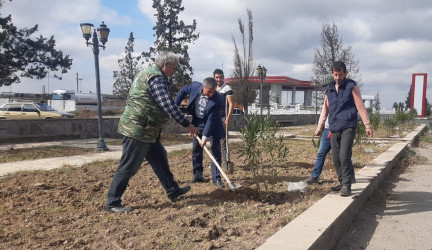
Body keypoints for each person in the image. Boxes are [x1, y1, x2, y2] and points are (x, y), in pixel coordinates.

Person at [104, 52, 199, 213]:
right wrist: (187, 124)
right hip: (138, 130)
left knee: (160, 159)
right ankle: (112, 202)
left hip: (148, 131)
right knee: (128, 166)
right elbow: (167, 104)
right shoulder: (156, 78)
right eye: (173, 69)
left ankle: (172, 190)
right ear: (166, 64)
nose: (173, 72)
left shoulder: (151, 74)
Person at [315, 61, 373, 196]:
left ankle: (347, 185)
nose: (337, 77)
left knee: (344, 155)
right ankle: (342, 182)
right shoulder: (328, 89)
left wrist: (367, 125)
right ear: (332, 74)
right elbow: (325, 109)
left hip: (348, 126)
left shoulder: (351, 87)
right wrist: (320, 126)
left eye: (340, 74)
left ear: (345, 73)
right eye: (335, 75)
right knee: (336, 157)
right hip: (334, 128)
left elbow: (360, 106)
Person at [175, 77, 225, 188]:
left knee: (215, 151)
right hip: (198, 123)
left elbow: (211, 119)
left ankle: (216, 178)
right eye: (209, 91)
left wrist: (205, 137)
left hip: (214, 125)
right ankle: (198, 176)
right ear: (203, 87)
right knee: (196, 150)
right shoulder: (194, 87)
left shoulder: (218, 99)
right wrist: (174, 105)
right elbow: (183, 90)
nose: (212, 94)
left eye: (214, 91)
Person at [213, 69, 234, 173]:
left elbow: (231, 104)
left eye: (220, 77)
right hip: (213, 118)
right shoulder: (212, 88)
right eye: (216, 77)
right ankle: (216, 163)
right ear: (214, 78)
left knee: (223, 142)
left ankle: (225, 163)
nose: (218, 79)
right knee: (214, 142)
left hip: (222, 118)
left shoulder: (227, 88)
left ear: (223, 77)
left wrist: (228, 118)